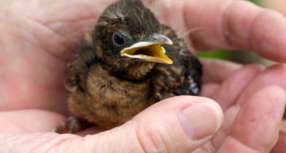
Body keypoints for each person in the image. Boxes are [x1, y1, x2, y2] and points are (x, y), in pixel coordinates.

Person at [0, 0, 285, 152]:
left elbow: (190, 76)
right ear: (102, 44)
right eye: (121, 40)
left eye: (152, 39)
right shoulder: (84, 65)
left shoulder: (164, 73)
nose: (154, 45)